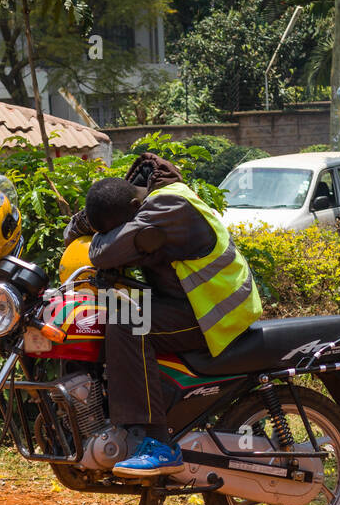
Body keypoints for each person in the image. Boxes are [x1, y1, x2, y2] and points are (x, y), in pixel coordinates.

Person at [64, 153, 262, 476]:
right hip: (189, 303)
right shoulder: (146, 203)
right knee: (106, 312)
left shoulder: (169, 206)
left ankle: (155, 442)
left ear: (132, 209)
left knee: (126, 320)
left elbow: (105, 252)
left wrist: (97, 233)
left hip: (217, 313)